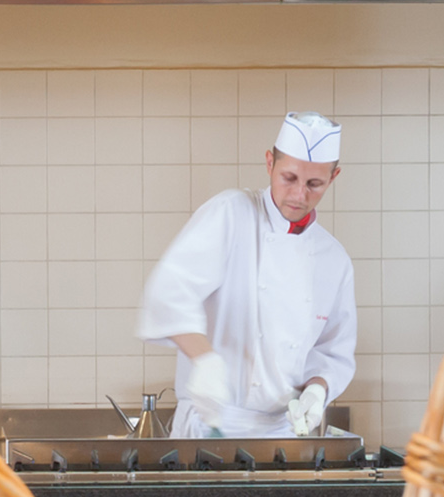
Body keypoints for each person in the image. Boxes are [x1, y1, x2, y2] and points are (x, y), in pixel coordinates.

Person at [134, 111, 359, 439]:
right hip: (211, 425)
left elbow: (332, 351)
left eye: (314, 184)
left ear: (334, 177)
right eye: (289, 178)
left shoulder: (334, 259)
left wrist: (317, 391)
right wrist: (205, 360)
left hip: (283, 435)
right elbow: (169, 291)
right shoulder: (231, 213)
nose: (299, 195)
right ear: (269, 163)